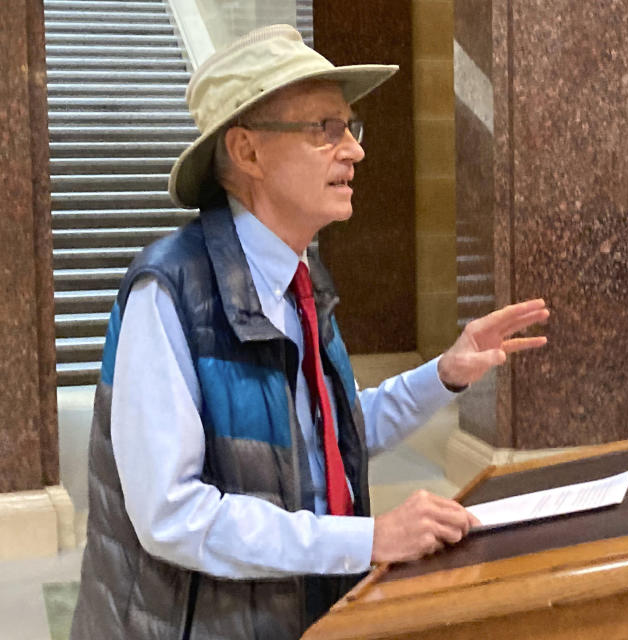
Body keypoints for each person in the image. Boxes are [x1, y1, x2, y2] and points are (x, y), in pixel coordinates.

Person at [70, 24, 549, 640]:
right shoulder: (169, 292)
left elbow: (325, 440)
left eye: (350, 127)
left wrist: (445, 374)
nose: (354, 151)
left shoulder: (299, 278)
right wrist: (369, 538)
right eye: (324, 129)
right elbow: (172, 514)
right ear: (246, 152)